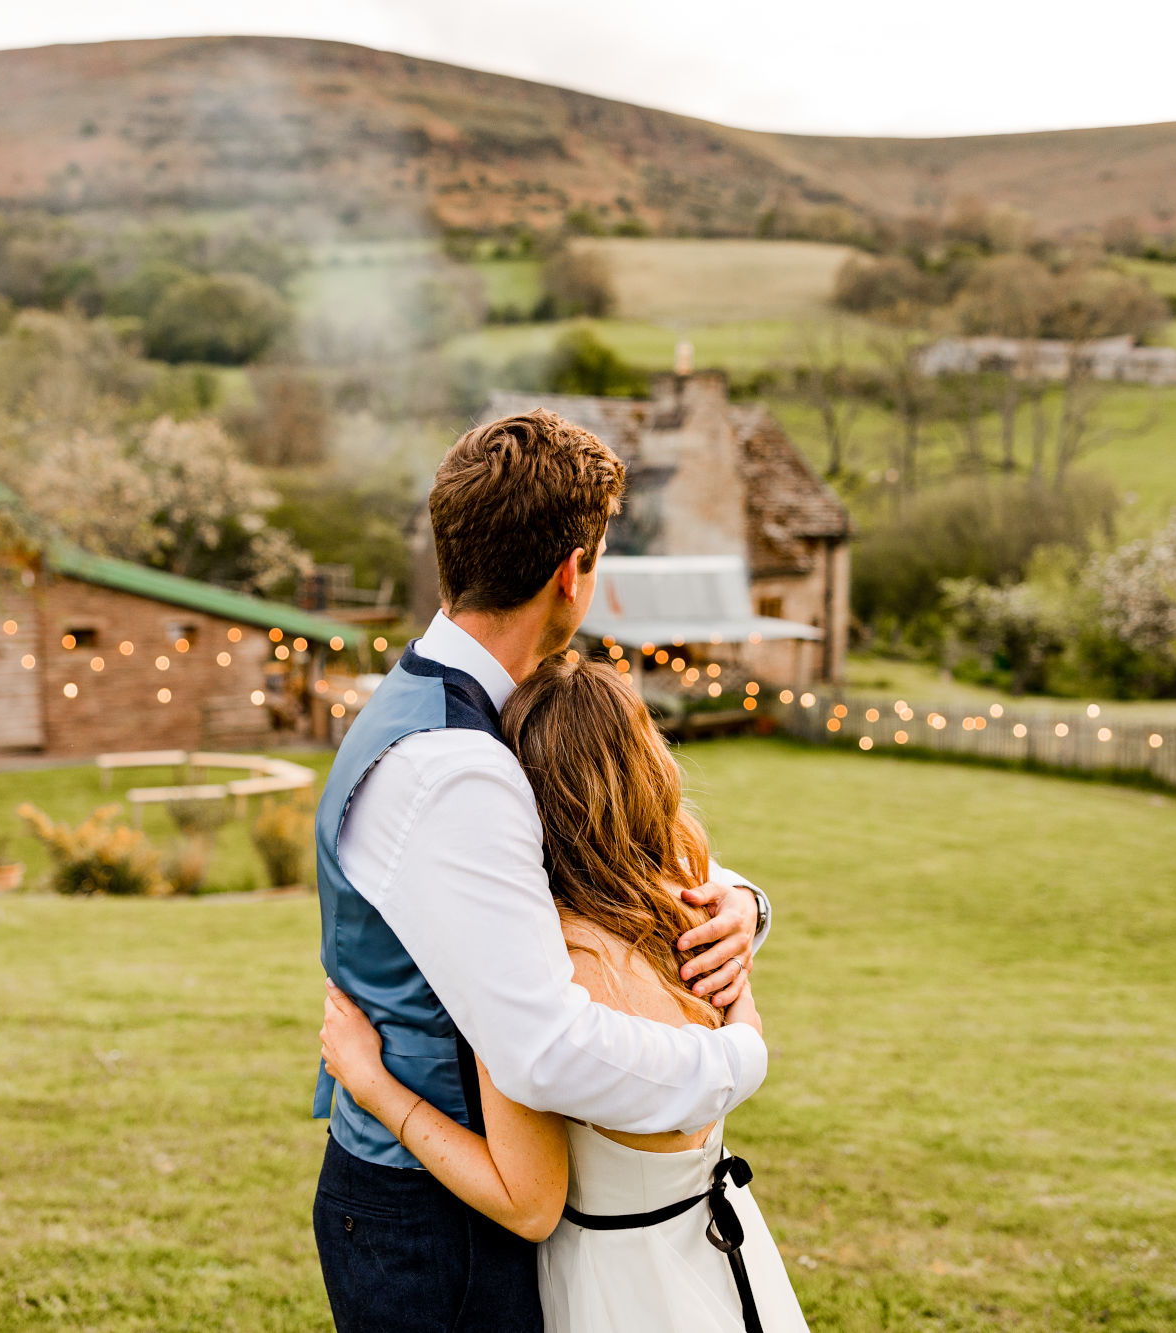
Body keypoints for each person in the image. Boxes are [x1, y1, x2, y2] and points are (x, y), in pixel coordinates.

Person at [310, 411, 775, 1331]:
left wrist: (739, 905)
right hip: (436, 1225)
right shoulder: (457, 766)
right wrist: (736, 1057)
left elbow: (606, 856)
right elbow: (547, 1049)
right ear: (573, 572)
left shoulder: (475, 716)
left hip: (454, 1202)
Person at [322, 653, 808, 1332]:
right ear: (649, 763)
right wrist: (749, 917)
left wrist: (371, 1083)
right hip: (723, 1258)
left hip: (614, 1289)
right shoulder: (693, 900)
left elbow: (528, 1202)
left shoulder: (540, 960)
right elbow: (737, 1023)